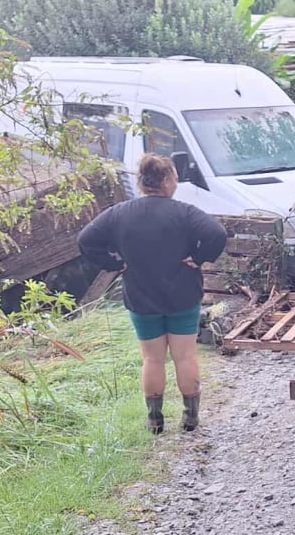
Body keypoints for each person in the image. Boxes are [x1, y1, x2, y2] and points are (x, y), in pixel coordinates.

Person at [78, 154, 227, 434]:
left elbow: (85, 240)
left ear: (141, 182)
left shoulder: (119, 213)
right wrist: (199, 257)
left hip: (141, 296)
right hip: (183, 295)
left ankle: (155, 420)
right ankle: (191, 419)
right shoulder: (184, 212)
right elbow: (217, 234)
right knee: (185, 357)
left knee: (152, 359)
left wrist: (114, 263)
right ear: (168, 180)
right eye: (175, 178)